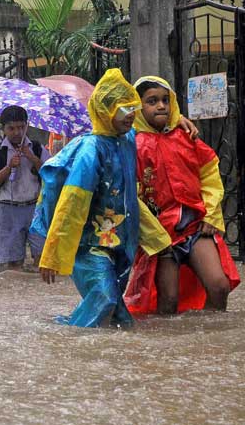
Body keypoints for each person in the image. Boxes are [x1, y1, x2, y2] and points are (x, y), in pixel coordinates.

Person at [32, 69, 172, 328]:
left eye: (132, 107)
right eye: (122, 110)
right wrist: (52, 255)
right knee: (105, 299)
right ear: (105, 112)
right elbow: (71, 205)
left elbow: (160, 119)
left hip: (119, 245)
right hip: (89, 246)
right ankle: (68, 343)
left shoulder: (127, 138)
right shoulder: (90, 150)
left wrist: (180, 120)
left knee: (120, 320)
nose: (130, 114)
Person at [124, 76, 240, 314]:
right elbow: (128, 193)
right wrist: (150, 237)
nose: (161, 106)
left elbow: (209, 174)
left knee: (219, 286)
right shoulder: (131, 144)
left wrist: (211, 215)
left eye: (165, 100)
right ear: (138, 107)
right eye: (152, 101)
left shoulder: (185, 136)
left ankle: (207, 345)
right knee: (167, 301)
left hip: (194, 226)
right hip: (160, 235)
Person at [0, 106, 50, 270]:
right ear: (4, 129)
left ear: (27, 126)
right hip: (8, 210)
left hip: (36, 209)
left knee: (42, 260)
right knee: (12, 266)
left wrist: (33, 158)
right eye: (11, 128)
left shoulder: (36, 148)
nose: (17, 132)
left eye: (21, 127)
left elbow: (52, 175)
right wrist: (8, 168)